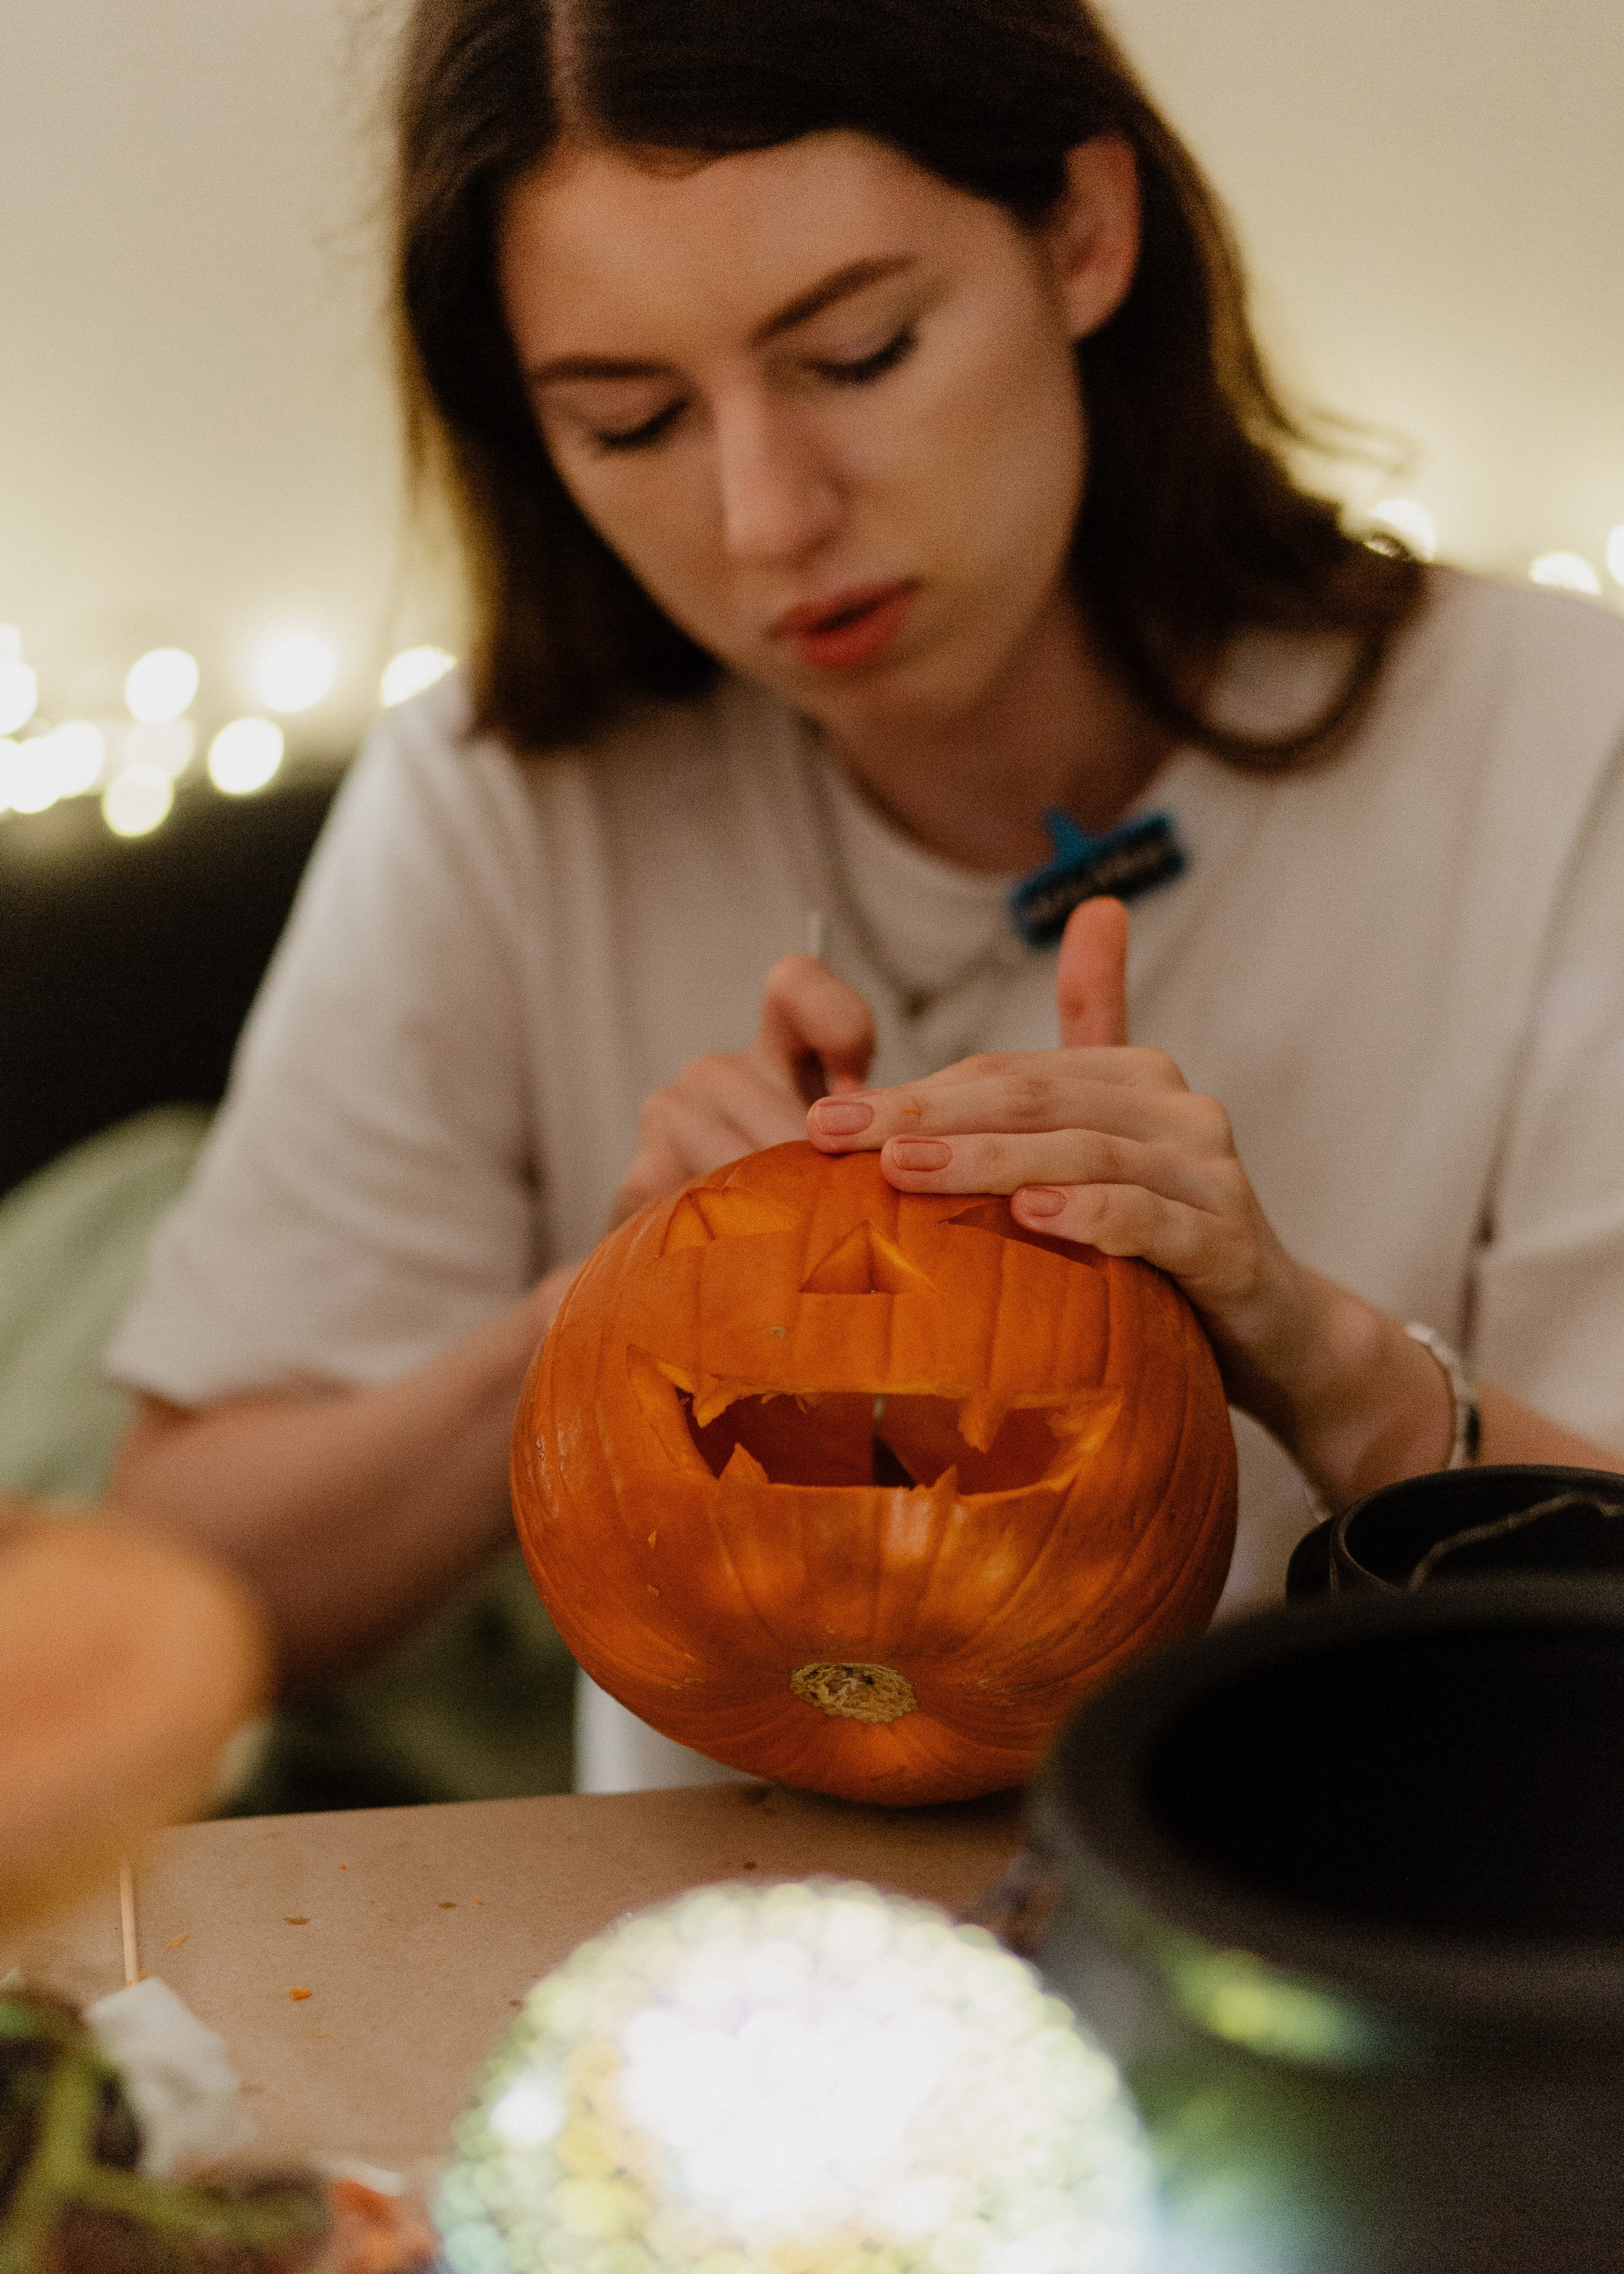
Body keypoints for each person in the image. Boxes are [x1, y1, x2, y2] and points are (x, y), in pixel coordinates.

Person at [106, 0, 1624, 1797]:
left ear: (1083, 230)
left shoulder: (1555, 743)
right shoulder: (508, 790)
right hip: (708, 1978)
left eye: (858, 353)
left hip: (1373, 1931)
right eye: (633, 419)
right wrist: (611, 1308)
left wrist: (1326, 1362)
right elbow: (186, 1582)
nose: (764, 516)